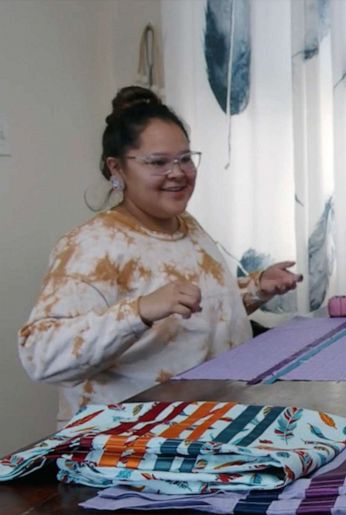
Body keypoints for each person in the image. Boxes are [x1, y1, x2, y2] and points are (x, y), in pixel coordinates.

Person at [19, 87, 302, 426]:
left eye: (185, 158)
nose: (178, 173)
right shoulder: (92, 244)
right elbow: (40, 355)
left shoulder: (186, 227)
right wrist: (139, 311)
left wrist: (256, 288)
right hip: (125, 441)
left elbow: (192, 311)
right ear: (117, 168)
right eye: (158, 163)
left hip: (208, 423)